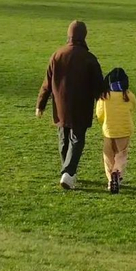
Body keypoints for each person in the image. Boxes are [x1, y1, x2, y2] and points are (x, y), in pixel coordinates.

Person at [36, 20, 104, 190]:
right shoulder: (89, 59)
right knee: (77, 139)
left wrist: (41, 104)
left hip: (60, 107)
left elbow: (47, 83)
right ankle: (68, 172)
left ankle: (67, 171)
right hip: (81, 107)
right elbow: (98, 87)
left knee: (63, 138)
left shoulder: (57, 55)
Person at [95, 67, 136, 194]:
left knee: (108, 154)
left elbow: (99, 113)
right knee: (121, 154)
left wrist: (104, 120)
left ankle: (110, 179)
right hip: (124, 130)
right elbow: (133, 107)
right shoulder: (128, 95)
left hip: (109, 130)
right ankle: (117, 173)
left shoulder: (104, 96)